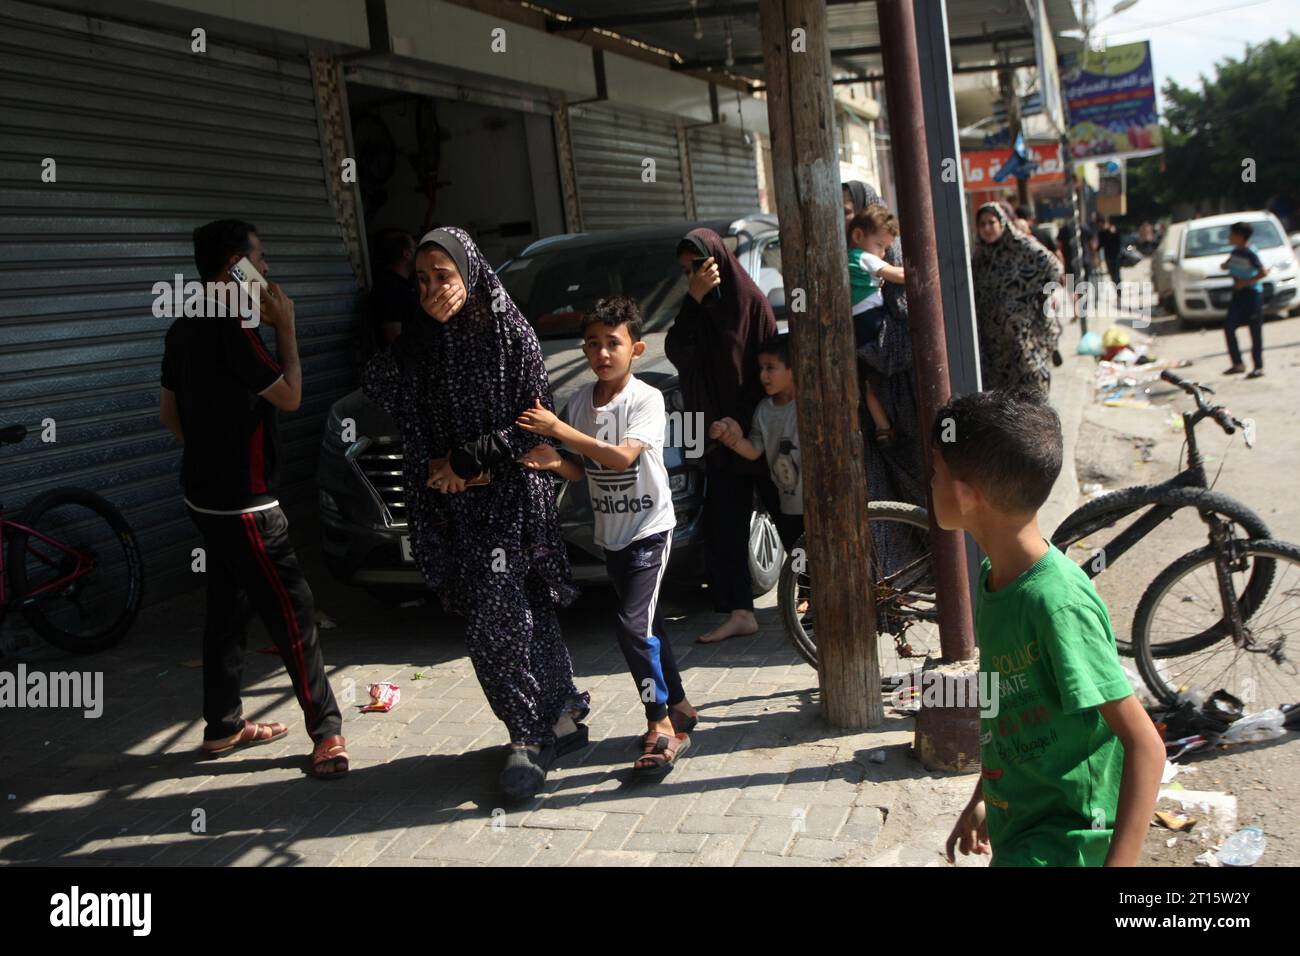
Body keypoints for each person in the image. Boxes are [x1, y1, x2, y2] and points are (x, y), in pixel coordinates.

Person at [362, 227, 589, 802]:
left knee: (497, 619)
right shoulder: (426, 341)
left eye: (445, 276)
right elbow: (378, 386)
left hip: (509, 500)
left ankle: (527, 737)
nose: (435, 289)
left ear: (471, 273)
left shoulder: (511, 332)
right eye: (423, 279)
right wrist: (421, 332)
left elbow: (535, 419)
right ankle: (560, 716)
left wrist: (465, 458)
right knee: (516, 609)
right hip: (452, 506)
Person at [934, 390, 1165, 866]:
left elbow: (1145, 744)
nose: (929, 483)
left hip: (1065, 844)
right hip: (1018, 825)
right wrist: (985, 796)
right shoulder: (994, 576)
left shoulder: (1056, 603)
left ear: (963, 495)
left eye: (935, 472)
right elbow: (1008, 708)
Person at [159, 219, 347, 778]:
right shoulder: (232, 326)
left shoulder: (184, 324)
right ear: (234, 266)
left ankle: (222, 725)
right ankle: (327, 732)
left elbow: (170, 416)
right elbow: (289, 396)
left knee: (227, 606)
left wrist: (211, 456)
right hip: (246, 507)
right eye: (259, 260)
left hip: (202, 498)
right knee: (295, 611)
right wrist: (286, 327)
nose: (267, 271)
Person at [517, 296, 699, 775]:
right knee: (650, 627)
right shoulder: (579, 402)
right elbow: (581, 470)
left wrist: (558, 429)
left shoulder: (646, 399)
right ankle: (679, 705)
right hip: (611, 536)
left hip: (649, 531)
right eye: (593, 344)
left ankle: (658, 723)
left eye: (612, 343)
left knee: (631, 626)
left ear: (635, 349)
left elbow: (621, 457)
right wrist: (555, 460)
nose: (602, 353)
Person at [665, 228, 778, 645]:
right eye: (684, 271)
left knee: (785, 513)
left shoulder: (750, 303)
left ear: (718, 261)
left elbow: (767, 369)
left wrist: (742, 421)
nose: (692, 275)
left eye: (698, 266)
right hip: (709, 431)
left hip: (753, 430)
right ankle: (739, 611)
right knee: (723, 522)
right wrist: (692, 301)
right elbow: (679, 351)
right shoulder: (694, 310)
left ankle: (818, 596)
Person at [842, 181, 929, 579]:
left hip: (905, 401)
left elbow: (901, 337)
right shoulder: (844, 260)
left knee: (919, 489)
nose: (841, 218)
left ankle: (935, 573)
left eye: (847, 209)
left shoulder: (887, 256)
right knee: (878, 499)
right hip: (866, 404)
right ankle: (894, 585)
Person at [708, 333, 803, 552]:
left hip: (820, 504)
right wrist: (729, 438)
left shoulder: (810, 403)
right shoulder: (763, 410)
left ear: (792, 367)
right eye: (761, 368)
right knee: (800, 564)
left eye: (771, 368)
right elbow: (753, 451)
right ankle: (804, 587)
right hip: (788, 506)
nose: (763, 375)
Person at [972, 202, 1062, 396]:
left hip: (1024, 336)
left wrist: (1035, 298)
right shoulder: (979, 257)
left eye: (991, 222)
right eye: (982, 224)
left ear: (1002, 222)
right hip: (995, 343)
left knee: (1032, 391)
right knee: (1004, 398)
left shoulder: (1022, 246)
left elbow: (1054, 268)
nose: (987, 228)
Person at [847, 205, 906, 446]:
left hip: (858, 326)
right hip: (872, 321)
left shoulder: (848, 258)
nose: (882, 254)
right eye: (880, 246)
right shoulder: (863, 257)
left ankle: (882, 427)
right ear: (859, 236)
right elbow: (898, 275)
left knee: (870, 381)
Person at [1220, 221, 1268, 378]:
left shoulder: (1250, 253)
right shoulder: (1235, 252)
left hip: (1252, 295)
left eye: (1232, 234)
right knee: (1229, 326)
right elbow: (1227, 265)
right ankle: (1237, 363)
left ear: (1240, 236)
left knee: (1255, 330)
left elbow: (1262, 273)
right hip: (1238, 295)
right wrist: (1225, 266)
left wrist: (1245, 282)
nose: (1229, 237)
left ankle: (1258, 366)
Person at [367, 228, 421, 348]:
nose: (419, 253)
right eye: (415, 248)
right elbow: (393, 337)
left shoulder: (405, 284)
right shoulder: (389, 289)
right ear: (406, 254)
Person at [1096, 214, 1122, 287]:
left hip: (1115, 256)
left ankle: (1119, 294)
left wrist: (1115, 232)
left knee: (1117, 276)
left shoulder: (1114, 230)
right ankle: (1117, 293)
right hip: (1108, 257)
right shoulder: (1101, 233)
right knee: (1112, 276)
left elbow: (1119, 241)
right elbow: (1101, 245)